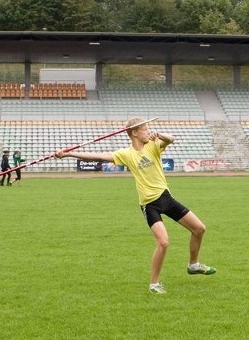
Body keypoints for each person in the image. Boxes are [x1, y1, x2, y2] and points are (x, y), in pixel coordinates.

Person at [55, 118, 216, 295]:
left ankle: (193, 265)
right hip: (150, 204)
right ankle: (154, 284)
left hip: (166, 198)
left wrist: (159, 134)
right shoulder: (127, 154)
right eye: (145, 129)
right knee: (163, 242)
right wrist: (69, 154)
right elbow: (99, 156)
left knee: (199, 229)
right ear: (134, 133)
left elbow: (172, 139)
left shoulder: (154, 145)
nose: (149, 131)